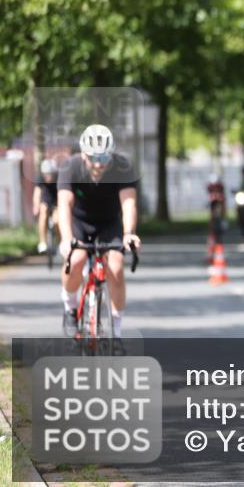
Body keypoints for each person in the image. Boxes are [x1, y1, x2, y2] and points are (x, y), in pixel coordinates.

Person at [57, 124, 141, 341]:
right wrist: (66, 239)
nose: (98, 164)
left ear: (111, 155)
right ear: (83, 154)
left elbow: (128, 203)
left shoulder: (123, 167)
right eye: (93, 158)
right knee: (76, 260)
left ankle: (117, 332)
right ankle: (70, 307)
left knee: (116, 267)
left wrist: (129, 233)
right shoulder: (70, 167)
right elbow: (64, 205)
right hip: (80, 222)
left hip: (109, 223)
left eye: (103, 158)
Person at [32, 158, 59, 253]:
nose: (48, 177)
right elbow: (37, 193)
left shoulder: (60, 177)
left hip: (57, 200)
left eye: (50, 174)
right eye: (46, 174)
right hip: (46, 199)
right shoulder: (40, 178)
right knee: (43, 212)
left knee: (57, 221)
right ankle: (42, 241)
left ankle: (59, 242)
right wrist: (36, 206)